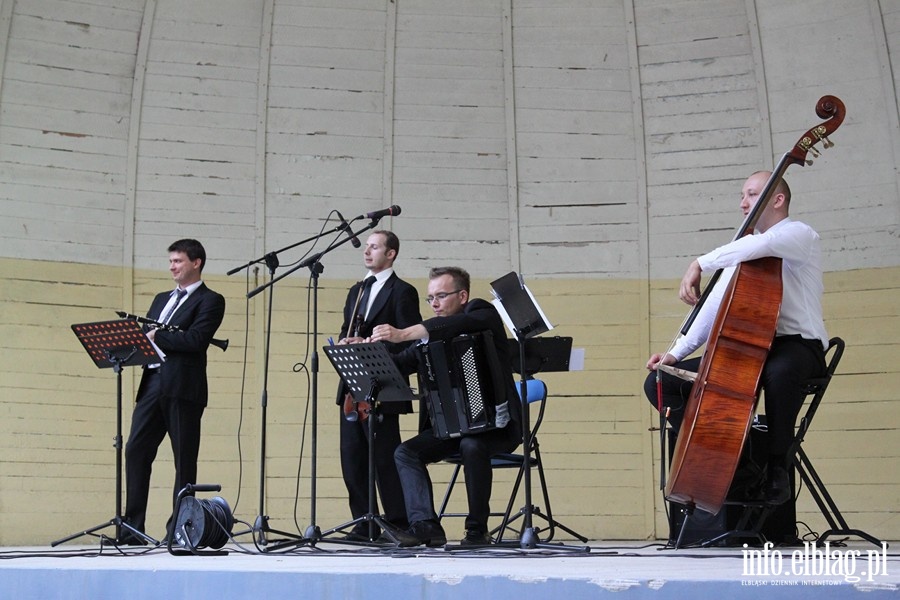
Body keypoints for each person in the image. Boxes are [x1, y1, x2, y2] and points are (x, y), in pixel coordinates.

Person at [644, 171, 828, 505]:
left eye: (752, 194)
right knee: (660, 382)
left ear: (777, 199)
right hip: (750, 349)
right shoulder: (740, 255)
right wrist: (674, 354)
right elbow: (711, 310)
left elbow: (765, 244)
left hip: (798, 345)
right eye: (742, 196)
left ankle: (777, 469)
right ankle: (735, 461)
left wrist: (700, 262)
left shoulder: (799, 235)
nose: (743, 203)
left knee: (778, 372)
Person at [368, 266, 522, 546]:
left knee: (472, 445)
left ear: (462, 295)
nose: (434, 304)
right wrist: (367, 351)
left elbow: (460, 324)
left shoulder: (481, 313)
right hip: (450, 429)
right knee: (405, 453)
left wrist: (405, 333)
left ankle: (477, 529)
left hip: (497, 428)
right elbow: (400, 363)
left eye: (441, 296)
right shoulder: (429, 336)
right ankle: (425, 525)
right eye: (430, 298)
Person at [121, 238, 226, 544]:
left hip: (183, 388)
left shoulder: (211, 300)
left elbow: (196, 340)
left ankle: (179, 531)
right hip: (152, 382)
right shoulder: (160, 298)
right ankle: (133, 529)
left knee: (184, 460)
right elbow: (147, 338)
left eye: (178, 261)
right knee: (136, 450)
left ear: (197, 263)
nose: (172, 267)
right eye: (170, 262)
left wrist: (158, 337)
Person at [335, 230, 421, 541]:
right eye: (366, 247)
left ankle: (397, 521)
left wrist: (375, 345)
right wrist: (348, 341)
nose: (367, 252)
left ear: (391, 253)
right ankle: (363, 522)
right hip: (353, 384)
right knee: (352, 455)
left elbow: (409, 341)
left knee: (384, 456)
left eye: (374, 247)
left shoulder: (402, 291)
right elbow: (348, 328)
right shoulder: (356, 291)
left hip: (384, 384)